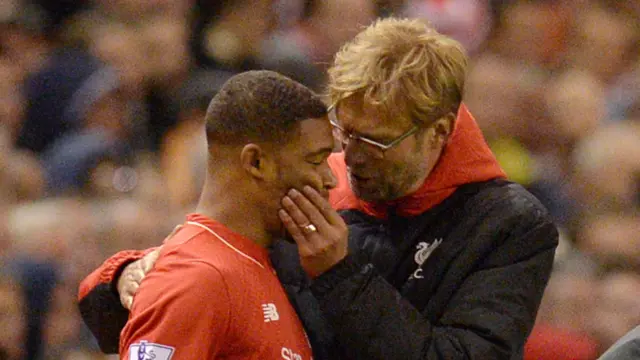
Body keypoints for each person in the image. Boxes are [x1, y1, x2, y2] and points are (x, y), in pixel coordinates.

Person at [78, 17, 558, 359]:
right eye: (345, 131)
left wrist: (340, 274)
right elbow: (207, 258)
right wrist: (119, 280)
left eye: (377, 141)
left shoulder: (509, 226)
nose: (348, 158)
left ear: (438, 132)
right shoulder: (319, 180)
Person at [82, 70, 339, 359]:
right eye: (316, 160)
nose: (331, 179)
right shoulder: (194, 279)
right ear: (256, 162)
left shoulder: (269, 262)